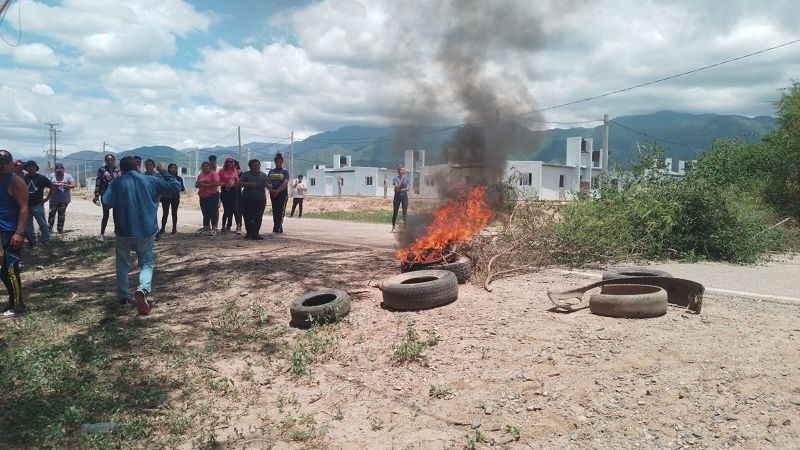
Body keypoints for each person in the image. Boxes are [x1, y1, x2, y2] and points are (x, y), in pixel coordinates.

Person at [102, 156, 180, 315]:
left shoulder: (117, 182)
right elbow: (175, 187)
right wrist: (163, 170)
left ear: (121, 169)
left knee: (123, 263)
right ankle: (143, 289)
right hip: (146, 230)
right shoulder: (150, 180)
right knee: (146, 263)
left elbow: (106, 202)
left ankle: (123, 297)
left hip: (123, 230)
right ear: (137, 167)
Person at [0, 149, 29, 317]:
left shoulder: (15, 181)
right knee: (2, 270)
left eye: (5, 161)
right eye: (0, 161)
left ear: (10, 163)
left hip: (11, 231)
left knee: (9, 269)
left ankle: (18, 305)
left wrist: (19, 232)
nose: (2, 164)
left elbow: (24, 208)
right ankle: (13, 301)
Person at [22, 161, 51, 248]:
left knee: (42, 223)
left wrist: (46, 199)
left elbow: (52, 187)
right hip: (26, 205)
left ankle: (46, 240)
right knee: (28, 225)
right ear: (26, 169)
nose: (31, 168)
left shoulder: (42, 178)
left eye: (33, 167)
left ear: (36, 168)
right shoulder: (22, 178)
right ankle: (32, 241)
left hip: (37, 204)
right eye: (28, 167)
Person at [238, 159, 269, 240]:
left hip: (260, 200)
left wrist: (266, 184)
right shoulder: (246, 174)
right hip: (246, 199)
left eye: (258, 165)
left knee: (258, 217)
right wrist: (248, 184)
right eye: (254, 165)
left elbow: (270, 186)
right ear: (250, 166)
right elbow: (239, 184)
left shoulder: (264, 175)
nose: (256, 166)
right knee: (247, 217)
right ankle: (249, 233)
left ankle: (255, 234)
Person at [93, 154, 121, 241]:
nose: (110, 161)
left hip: (117, 195)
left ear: (114, 160)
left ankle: (117, 233)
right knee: (105, 215)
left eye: (111, 160)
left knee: (117, 215)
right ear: (105, 161)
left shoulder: (118, 170)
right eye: (108, 160)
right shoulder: (102, 170)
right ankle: (102, 234)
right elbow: (98, 182)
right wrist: (96, 195)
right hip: (105, 194)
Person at [48, 164, 76, 235]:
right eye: (58, 171)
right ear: (55, 171)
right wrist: (54, 185)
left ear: (64, 170)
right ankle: (49, 229)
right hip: (53, 199)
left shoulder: (68, 176)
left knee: (61, 215)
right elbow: (47, 184)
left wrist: (65, 186)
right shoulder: (52, 176)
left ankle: (60, 229)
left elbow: (73, 185)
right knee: (51, 214)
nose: (59, 172)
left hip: (64, 199)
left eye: (61, 171)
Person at [195, 161, 220, 235]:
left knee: (212, 211)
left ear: (209, 167)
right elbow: (196, 184)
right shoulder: (201, 175)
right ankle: (206, 227)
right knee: (205, 212)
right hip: (202, 195)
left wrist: (206, 185)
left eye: (206, 166)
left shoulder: (213, 174)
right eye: (204, 166)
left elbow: (217, 183)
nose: (205, 167)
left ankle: (214, 227)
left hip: (212, 195)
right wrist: (200, 185)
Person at [267, 153, 289, 234]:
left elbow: (285, 182)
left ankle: (276, 229)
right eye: (277, 162)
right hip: (273, 193)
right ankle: (278, 228)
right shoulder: (271, 171)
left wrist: (277, 191)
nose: (278, 163)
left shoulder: (285, 171)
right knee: (275, 210)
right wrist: (271, 190)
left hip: (282, 193)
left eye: (280, 162)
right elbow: (268, 182)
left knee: (280, 210)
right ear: (275, 162)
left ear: (282, 162)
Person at [159, 163, 185, 235]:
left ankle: (174, 229)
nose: (173, 169)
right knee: (165, 213)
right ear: (168, 169)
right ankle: (163, 228)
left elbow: (182, 188)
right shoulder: (164, 177)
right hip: (165, 198)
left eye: (175, 168)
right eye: (171, 167)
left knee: (174, 213)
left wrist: (179, 186)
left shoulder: (179, 178)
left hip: (175, 198)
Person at [218, 157, 240, 234]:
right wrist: (225, 184)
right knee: (227, 210)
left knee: (235, 209)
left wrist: (236, 181)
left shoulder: (235, 170)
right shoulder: (221, 171)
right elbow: (218, 181)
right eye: (228, 162)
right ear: (225, 163)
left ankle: (238, 226)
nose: (229, 163)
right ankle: (223, 227)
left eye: (231, 162)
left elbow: (237, 180)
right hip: (225, 191)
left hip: (234, 190)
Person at [391, 165, 410, 232]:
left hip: (404, 196)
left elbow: (408, 189)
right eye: (401, 170)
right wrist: (401, 180)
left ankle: (405, 228)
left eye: (404, 170)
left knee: (404, 212)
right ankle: (393, 227)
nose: (403, 171)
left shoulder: (407, 179)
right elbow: (396, 187)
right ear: (398, 171)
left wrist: (401, 190)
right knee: (395, 212)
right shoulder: (395, 179)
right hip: (397, 196)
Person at [233, 159, 243, 234]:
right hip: (228, 194)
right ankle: (228, 225)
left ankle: (239, 225)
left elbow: (242, 183)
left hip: (237, 193)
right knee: (230, 210)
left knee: (237, 210)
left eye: (234, 165)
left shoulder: (240, 173)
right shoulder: (227, 172)